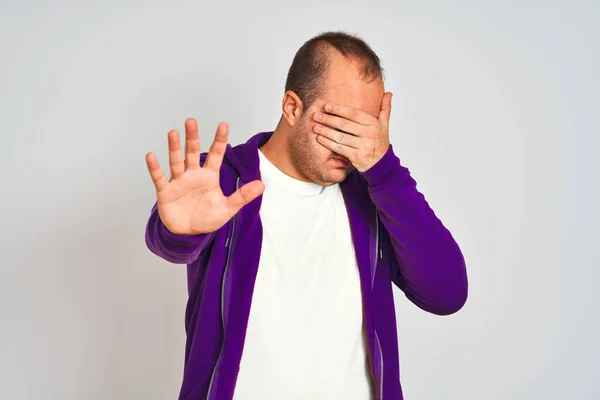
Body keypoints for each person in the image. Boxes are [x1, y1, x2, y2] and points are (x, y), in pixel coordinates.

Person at [144, 31, 468, 400]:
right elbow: (168, 239)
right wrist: (178, 233)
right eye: (337, 123)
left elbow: (447, 294)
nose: (349, 144)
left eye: (363, 128)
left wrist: (384, 169)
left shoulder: (377, 196)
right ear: (292, 107)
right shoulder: (223, 181)